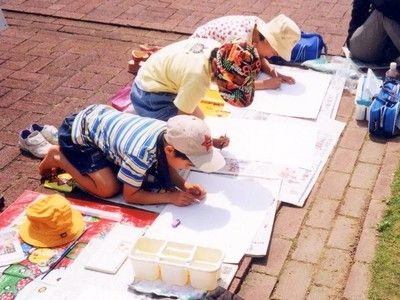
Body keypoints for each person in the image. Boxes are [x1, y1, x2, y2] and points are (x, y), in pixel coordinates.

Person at [39, 104, 226, 207]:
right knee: (108, 189)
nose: (189, 168)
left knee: (145, 176)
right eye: (189, 164)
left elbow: (167, 165)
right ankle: (59, 157)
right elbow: (131, 195)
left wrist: (183, 184)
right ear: (170, 150)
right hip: (77, 135)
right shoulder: (141, 154)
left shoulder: (168, 134)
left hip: (99, 115)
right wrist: (170, 197)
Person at [130, 39, 261, 148]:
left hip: (153, 77)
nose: (227, 88)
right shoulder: (198, 79)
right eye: (228, 84)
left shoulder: (217, 49)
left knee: (199, 118)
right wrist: (209, 143)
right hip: (146, 95)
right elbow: (183, 125)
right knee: (178, 138)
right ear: (216, 66)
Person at [191, 14, 301, 90]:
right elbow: (230, 82)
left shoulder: (259, 29)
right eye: (275, 52)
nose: (271, 56)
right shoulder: (238, 42)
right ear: (268, 41)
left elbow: (260, 53)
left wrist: (273, 72)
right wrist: (265, 84)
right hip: (196, 54)